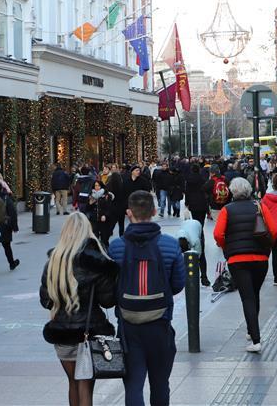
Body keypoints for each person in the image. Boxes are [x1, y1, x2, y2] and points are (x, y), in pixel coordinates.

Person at [108, 191, 186, 406]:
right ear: (154, 211)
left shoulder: (117, 247)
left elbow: (111, 285)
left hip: (128, 325)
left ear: (128, 213)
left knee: (133, 385)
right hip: (160, 323)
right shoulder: (170, 245)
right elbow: (178, 284)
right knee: (160, 383)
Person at [40, 213, 118, 406]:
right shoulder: (96, 263)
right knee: (85, 384)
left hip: (61, 332)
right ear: (87, 232)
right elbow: (108, 300)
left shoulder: (53, 262)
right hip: (89, 332)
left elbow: (46, 301)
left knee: (73, 382)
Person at [213, 178, 277, 352]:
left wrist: (226, 246)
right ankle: (252, 329)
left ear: (232, 191)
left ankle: (256, 339)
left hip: (237, 260)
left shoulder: (227, 210)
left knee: (247, 297)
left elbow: (218, 234)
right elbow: (273, 230)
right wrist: (266, 247)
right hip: (260, 259)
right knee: (254, 293)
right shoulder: (260, 206)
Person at [183, 164, 211, 287]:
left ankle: (197, 233)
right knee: (200, 222)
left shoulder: (189, 179)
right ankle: (200, 235)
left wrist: (187, 203)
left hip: (193, 204)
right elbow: (206, 193)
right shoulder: (202, 178)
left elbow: (187, 192)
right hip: (202, 204)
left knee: (195, 220)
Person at [0, 172, 21, 271]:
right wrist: (15, 227)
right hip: (5, 225)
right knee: (7, 246)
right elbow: (13, 213)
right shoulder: (6, 199)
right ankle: (11, 263)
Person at [88, 180, 116, 249]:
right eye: (95, 185)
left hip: (104, 219)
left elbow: (109, 207)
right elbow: (88, 208)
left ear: (101, 186)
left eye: (98, 185)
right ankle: (97, 250)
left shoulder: (106, 195)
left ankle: (106, 250)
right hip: (94, 219)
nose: (97, 187)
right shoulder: (91, 195)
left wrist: (105, 215)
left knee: (104, 237)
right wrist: (90, 204)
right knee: (95, 236)